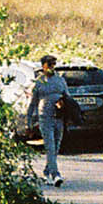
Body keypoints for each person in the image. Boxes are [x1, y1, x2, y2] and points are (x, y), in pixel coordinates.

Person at [26, 57, 72, 186]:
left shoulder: (60, 80)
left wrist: (64, 106)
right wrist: (28, 121)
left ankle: (47, 171)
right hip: (45, 117)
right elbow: (32, 103)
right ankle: (55, 174)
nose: (52, 67)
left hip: (59, 117)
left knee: (56, 146)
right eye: (49, 64)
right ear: (43, 66)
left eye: (54, 64)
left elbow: (67, 97)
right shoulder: (38, 82)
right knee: (50, 146)